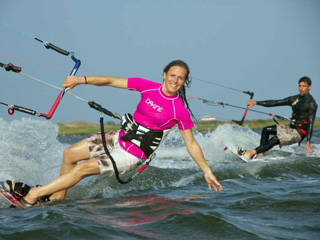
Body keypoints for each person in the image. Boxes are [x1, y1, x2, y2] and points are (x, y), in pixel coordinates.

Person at [4, 60, 223, 205]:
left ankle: (33, 195)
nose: (175, 80)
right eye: (172, 75)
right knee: (70, 154)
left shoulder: (179, 110)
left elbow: (191, 144)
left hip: (133, 154)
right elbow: (110, 81)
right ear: (164, 74)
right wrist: (80, 80)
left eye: (180, 78)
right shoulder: (147, 86)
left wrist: (206, 170)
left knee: (83, 168)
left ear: (184, 82)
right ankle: (58, 199)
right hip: (119, 138)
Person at [238, 76, 318, 160]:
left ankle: (250, 153)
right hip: (291, 127)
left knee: (275, 139)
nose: (301, 88)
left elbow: (311, 123)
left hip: (299, 132)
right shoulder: (295, 99)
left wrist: (308, 141)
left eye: (304, 86)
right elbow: (275, 102)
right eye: (300, 86)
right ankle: (260, 154)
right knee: (266, 130)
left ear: (309, 87)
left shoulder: (311, 104)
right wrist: (256, 102)